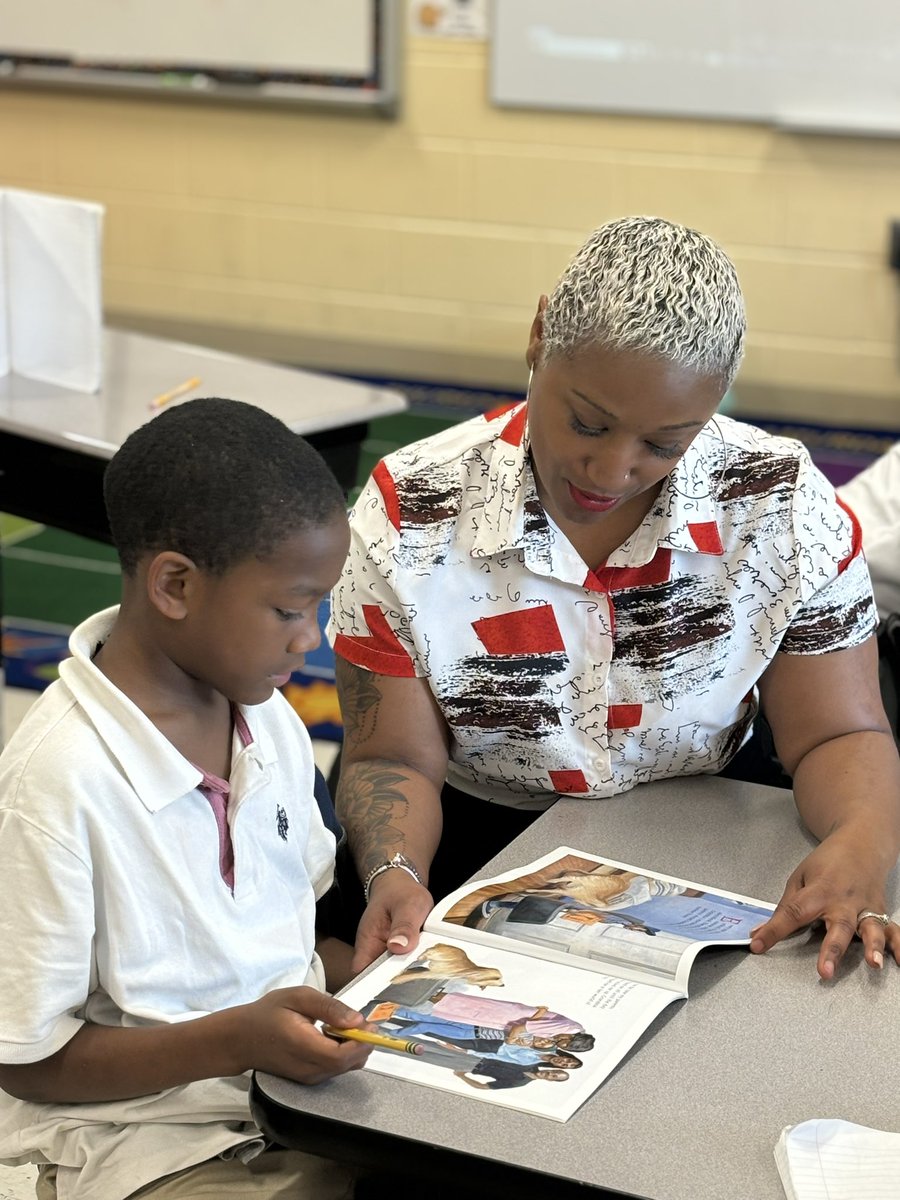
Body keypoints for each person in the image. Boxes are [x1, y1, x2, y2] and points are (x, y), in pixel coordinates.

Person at [328, 214, 900, 984]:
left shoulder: (780, 504)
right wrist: (395, 871)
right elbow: (390, 755)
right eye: (587, 422)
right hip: (476, 832)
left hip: (711, 821)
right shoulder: (412, 512)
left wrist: (860, 842)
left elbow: (839, 734)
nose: (612, 469)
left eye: (665, 443)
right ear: (538, 338)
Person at [0, 398, 372, 1200]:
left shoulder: (267, 717)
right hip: (134, 1144)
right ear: (175, 584)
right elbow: (24, 1061)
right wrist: (236, 1040)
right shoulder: (56, 782)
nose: (311, 638)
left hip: (282, 1103)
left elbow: (288, 940)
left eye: (319, 607)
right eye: (288, 608)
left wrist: (389, 975)